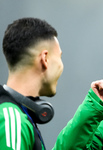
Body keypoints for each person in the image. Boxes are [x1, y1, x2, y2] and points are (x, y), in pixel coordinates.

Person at [0, 17, 65, 150]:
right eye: (60, 57)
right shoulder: (12, 120)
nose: (61, 65)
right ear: (45, 59)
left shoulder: (11, 115)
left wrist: (92, 109)